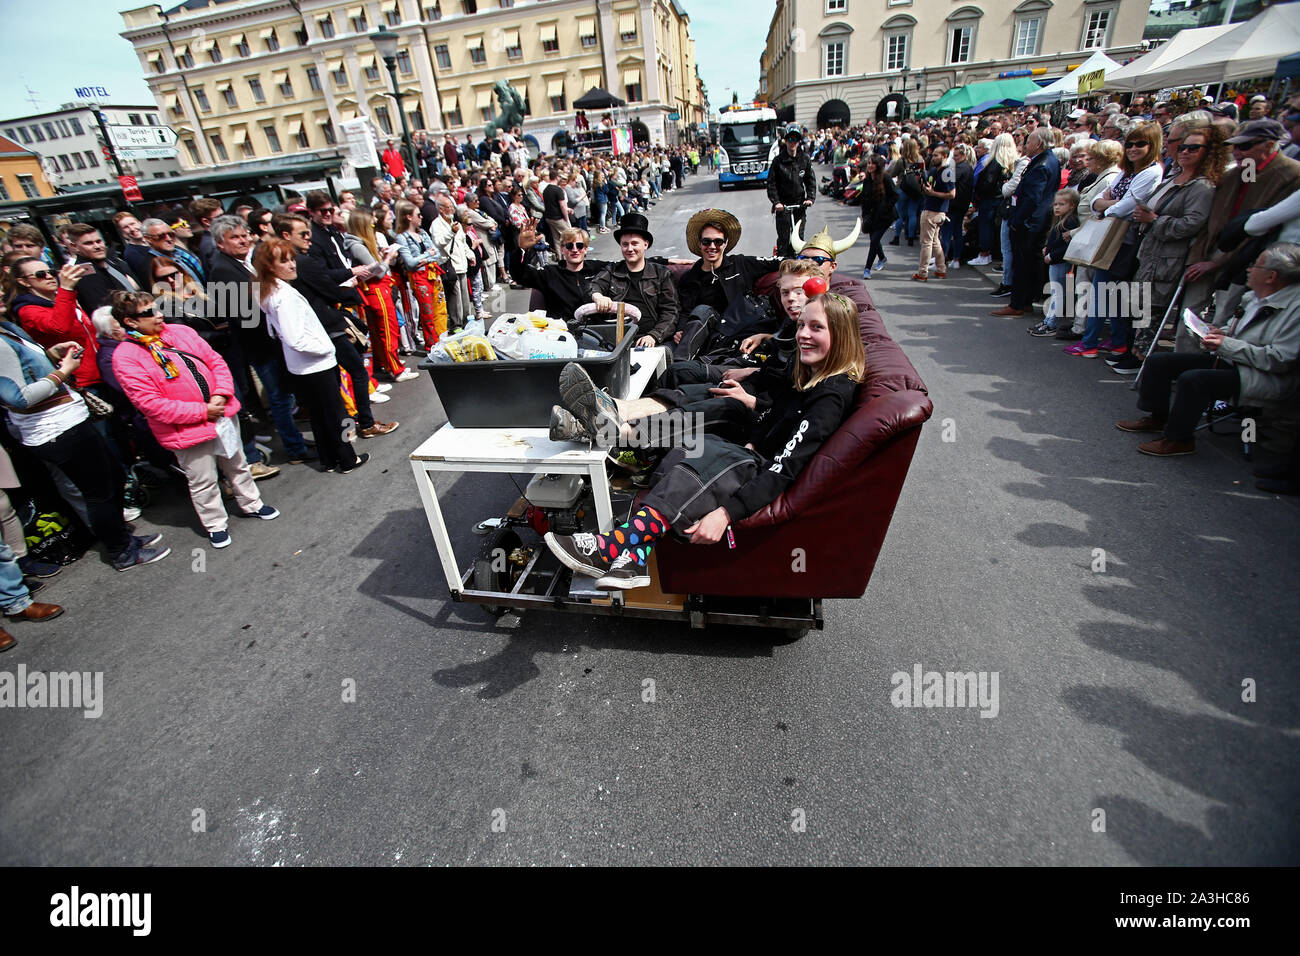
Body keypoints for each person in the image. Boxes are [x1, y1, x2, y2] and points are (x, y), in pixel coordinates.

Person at [543, 289, 864, 589]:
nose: (803, 334)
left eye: (816, 328)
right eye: (803, 325)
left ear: (841, 337)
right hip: (753, 447)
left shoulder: (830, 398)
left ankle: (612, 544)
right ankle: (633, 549)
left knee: (706, 451)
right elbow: (775, 414)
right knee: (716, 419)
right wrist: (753, 434)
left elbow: (785, 467)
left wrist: (725, 514)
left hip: (760, 467)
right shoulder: (807, 370)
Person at [0, 314, 169, 571]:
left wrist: (51, 353)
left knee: (113, 479)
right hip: (55, 430)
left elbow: (28, 370)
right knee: (98, 492)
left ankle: (123, 539)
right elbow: (19, 398)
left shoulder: (7, 328)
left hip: (70, 420)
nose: (2, 292)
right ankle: (121, 551)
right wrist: (63, 371)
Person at [109, 292, 278, 548]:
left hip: (221, 413)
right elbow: (150, 404)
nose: (158, 315)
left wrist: (221, 394)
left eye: (157, 308)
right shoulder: (125, 357)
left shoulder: (179, 332)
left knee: (237, 463)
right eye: (148, 313)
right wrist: (202, 412)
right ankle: (215, 524)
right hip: (186, 428)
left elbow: (215, 362)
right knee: (203, 480)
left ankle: (252, 503)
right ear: (130, 322)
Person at [1116, 243, 1300, 457]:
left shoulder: (1293, 311)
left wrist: (1226, 344)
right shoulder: (1253, 299)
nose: (1249, 270)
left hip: (1261, 376)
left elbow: (1280, 359)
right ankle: (1157, 417)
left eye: (1255, 266)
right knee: (1160, 361)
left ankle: (1179, 439)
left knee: (1195, 380)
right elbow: (1233, 328)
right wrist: (1215, 332)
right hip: (1234, 361)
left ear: (1271, 276)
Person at [254, 239, 368, 474]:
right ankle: (347, 459)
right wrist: (326, 348)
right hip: (315, 362)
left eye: (291, 258)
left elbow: (277, 332)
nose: (292, 265)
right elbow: (294, 337)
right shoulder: (282, 296)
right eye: (283, 261)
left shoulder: (273, 291)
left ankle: (328, 459)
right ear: (270, 267)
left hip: (304, 364)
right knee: (335, 414)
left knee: (320, 414)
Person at [207, 215, 313, 468]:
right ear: (220, 243)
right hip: (261, 346)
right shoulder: (221, 269)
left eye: (244, 235)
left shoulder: (245, 262)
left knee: (285, 396)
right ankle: (294, 447)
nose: (242, 240)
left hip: (271, 342)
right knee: (278, 397)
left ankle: (295, 439)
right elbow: (241, 315)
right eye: (234, 237)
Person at [1119, 126, 1224, 371]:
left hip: (1171, 259)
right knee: (1141, 309)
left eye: (1194, 148)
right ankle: (1137, 357)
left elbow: (1192, 224)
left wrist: (1154, 220)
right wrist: (1143, 215)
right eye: (1183, 146)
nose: (1185, 152)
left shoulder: (1202, 187)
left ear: (1209, 152)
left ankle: (1148, 365)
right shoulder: (1172, 177)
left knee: (1153, 312)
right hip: (1150, 253)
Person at [295, 197, 398, 438]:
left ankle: (351, 428)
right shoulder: (302, 262)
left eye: (332, 210)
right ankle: (356, 426)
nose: (308, 238)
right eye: (303, 234)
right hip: (321, 326)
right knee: (343, 376)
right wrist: (347, 282)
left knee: (352, 368)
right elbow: (240, 312)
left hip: (329, 318)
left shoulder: (322, 242)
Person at [1066, 121, 1163, 355]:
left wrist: (1105, 206)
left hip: (1127, 240)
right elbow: (1099, 200)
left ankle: (1090, 344)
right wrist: (1108, 205)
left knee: (1106, 293)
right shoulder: (1126, 172)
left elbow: (1125, 206)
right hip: (1111, 236)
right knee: (1108, 291)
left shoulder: (1152, 172)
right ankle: (1116, 340)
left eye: (1140, 144)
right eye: (1129, 144)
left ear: (1153, 145)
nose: (1133, 149)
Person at [664, 208, 781, 360]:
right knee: (702, 311)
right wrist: (680, 330)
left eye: (718, 241)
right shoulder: (691, 277)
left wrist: (816, 260)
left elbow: (779, 262)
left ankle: (681, 367)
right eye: (706, 241)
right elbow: (686, 311)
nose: (712, 246)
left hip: (739, 330)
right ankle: (679, 365)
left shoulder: (741, 264)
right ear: (700, 244)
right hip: (707, 334)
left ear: (725, 243)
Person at [993, 128, 1060, 318]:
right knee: (1028, 263)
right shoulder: (1047, 160)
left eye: (1028, 142)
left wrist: (1017, 220)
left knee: (1021, 264)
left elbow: (1032, 198)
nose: (1025, 146)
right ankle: (1026, 301)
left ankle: (1018, 304)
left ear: (1038, 144)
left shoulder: (1042, 164)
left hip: (1029, 223)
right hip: (1036, 221)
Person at [345, 208, 416, 383]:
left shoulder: (359, 243)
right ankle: (396, 370)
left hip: (378, 290)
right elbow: (377, 271)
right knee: (388, 331)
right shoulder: (357, 245)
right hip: (376, 291)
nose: (374, 225)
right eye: (371, 222)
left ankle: (389, 365)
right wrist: (387, 258)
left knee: (384, 331)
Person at [589, 213, 680, 347]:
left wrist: (654, 336)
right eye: (625, 244)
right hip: (617, 339)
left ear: (645, 245)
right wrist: (598, 297)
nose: (629, 249)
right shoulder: (612, 270)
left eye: (634, 243)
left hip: (651, 339)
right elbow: (594, 285)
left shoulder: (662, 274)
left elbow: (671, 312)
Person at [511, 224, 610, 322]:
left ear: (585, 249)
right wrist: (522, 249)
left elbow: (622, 269)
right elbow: (519, 275)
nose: (575, 250)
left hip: (596, 330)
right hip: (562, 331)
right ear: (562, 249)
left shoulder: (599, 269)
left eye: (579, 246)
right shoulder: (549, 273)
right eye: (569, 245)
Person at [394, 199, 449, 350]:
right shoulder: (402, 237)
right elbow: (410, 263)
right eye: (418, 215)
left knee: (440, 310)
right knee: (427, 314)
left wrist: (423, 258)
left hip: (433, 275)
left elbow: (436, 253)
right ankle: (432, 344)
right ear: (408, 217)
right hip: (419, 278)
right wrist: (426, 256)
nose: (421, 217)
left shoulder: (422, 232)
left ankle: (442, 340)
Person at [1029, 189, 1081, 337]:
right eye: (1055, 204)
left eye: (1061, 204)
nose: (1057, 207)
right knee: (1056, 293)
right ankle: (1048, 320)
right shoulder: (1060, 221)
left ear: (1072, 205)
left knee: (1058, 294)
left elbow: (1067, 246)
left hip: (1060, 262)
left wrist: (1052, 255)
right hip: (1055, 262)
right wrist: (1048, 248)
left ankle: (1051, 323)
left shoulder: (1070, 222)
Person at [66, 223, 140, 313]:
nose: (97, 246)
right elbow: (104, 309)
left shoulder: (111, 262)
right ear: (74, 246)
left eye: (98, 241)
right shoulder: (83, 273)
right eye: (89, 243)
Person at [768, 129, 816, 257]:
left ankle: (799, 267)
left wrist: (810, 198)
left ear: (799, 142)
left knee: (798, 239)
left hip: (799, 204)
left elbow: (810, 180)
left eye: (795, 140)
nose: (792, 143)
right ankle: (781, 266)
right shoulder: (778, 161)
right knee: (784, 239)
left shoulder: (804, 159)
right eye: (790, 140)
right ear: (786, 141)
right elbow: (771, 184)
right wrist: (776, 202)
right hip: (783, 207)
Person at [429, 193, 474, 331]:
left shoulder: (454, 222)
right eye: (449, 207)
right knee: (455, 297)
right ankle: (456, 324)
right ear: (441, 209)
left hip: (462, 264)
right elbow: (439, 243)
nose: (452, 210)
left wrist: (470, 254)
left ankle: (467, 321)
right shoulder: (436, 225)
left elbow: (462, 242)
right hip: (450, 265)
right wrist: (451, 232)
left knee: (465, 297)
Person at [914, 145, 955, 282]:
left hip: (936, 211)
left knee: (926, 242)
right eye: (933, 155)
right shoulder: (932, 171)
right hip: (930, 207)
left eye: (937, 155)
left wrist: (933, 193)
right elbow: (927, 188)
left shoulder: (947, 172)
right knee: (935, 242)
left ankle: (923, 272)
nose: (933, 157)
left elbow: (952, 194)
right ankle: (941, 269)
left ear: (944, 156)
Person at [857, 155, 899, 278]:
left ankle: (867, 269)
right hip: (872, 216)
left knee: (875, 240)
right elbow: (864, 198)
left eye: (872, 163)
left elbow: (895, 195)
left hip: (885, 216)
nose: (869, 165)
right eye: (868, 163)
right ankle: (882, 257)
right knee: (873, 240)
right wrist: (864, 215)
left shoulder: (885, 178)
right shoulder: (867, 179)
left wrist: (885, 207)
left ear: (878, 165)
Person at [137, 219, 205, 289]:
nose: (168, 239)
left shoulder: (180, 253)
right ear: (148, 239)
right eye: (161, 236)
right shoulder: (149, 265)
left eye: (171, 234)